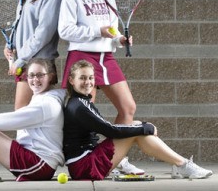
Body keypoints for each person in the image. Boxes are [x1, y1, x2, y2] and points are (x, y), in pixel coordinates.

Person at [58, 0, 142, 174]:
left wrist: (120, 39)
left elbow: (112, 30)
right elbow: (65, 30)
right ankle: (94, 158)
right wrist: (98, 31)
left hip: (106, 56)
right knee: (88, 115)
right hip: (82, 56)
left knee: (128, 108)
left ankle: (117, 157)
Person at [63, 59, 213, 180]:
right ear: (71, 80)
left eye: (90, 78)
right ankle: (183, 165)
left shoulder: (79, 101)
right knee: (136, 129)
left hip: (83, 162)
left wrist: (141, 127)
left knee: (135, 127)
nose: (88, 82)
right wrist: (145, 127)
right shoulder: (79, 106)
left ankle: (180, 164)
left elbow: (108, 130)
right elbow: (110, 130)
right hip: (85, 166)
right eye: (82, 78)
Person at [4, 0, 62, 110]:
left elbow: (43, 34)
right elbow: (20, 24)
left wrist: (21, 59)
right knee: (27, 115)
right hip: (26, 59)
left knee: (22, 113)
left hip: (39, 63)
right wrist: (11, 45)